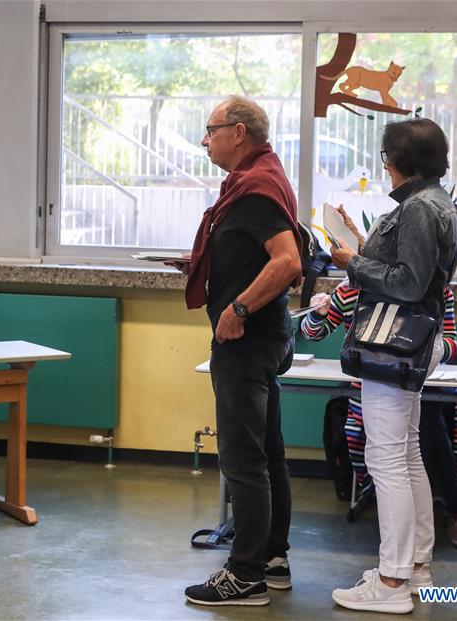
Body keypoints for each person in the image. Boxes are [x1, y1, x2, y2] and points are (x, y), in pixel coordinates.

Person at [327, 118, 457, 614]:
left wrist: (351, 262)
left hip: (395, 343)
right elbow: (408, 268)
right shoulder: (431, 202)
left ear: (399, 160)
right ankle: (414, 567)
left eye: (385, 158)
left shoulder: (420, 209)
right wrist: (361, 244)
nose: (383, 166)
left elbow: (406, 283)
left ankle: (390, 582)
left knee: (386, 461)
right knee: (405, 456)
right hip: (409, 342)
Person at [177, 95, 302, 607]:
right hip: (265, 338)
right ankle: (272, 558)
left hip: (248, 340)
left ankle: (245, 574)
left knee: (243, 460)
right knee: (267, 453)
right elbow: (255, 254)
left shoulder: (254, 189)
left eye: (210, 130)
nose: (204, 140)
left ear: (238, 132)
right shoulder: (260, 179)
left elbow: (288, 261)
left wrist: (239, 310)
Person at [302, 274, 457, 549]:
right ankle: (411, 536)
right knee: (392, 456)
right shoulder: (351, 289)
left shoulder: (433, 289)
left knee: (422, 447)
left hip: (418, 381)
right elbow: (313, 332)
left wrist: (425, 352)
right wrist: (318, 312)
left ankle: (449, 516)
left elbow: (452, 343)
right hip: (370, 383)